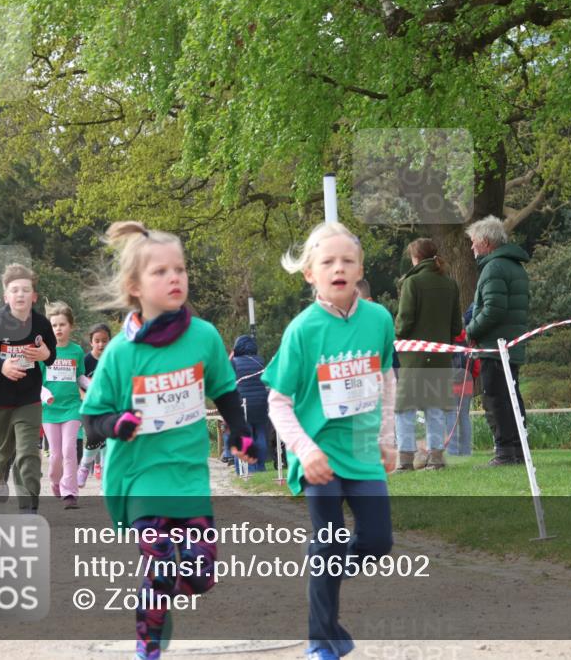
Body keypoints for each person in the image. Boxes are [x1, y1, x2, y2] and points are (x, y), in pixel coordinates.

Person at [80, 221, 256, 660]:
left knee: (200, 576)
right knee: (160, 568)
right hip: (141, 478)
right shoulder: (121, 351)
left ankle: (158, 597)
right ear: (135, 287)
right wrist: (117, 424)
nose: (174, 277)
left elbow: (226, 391)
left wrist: (242, 433)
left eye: (180, 269)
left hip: (189, 477)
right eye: (160, 272)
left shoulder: (205, 336)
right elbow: (91, 419)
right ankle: (148, 647)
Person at [263, 221, 397, 660]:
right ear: (310, 274)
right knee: (328, 541)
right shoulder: (301, 331)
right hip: (319, 457)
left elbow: (386, 379)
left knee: (377, 541)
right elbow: (278, 403)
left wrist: (387, 437)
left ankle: (326, 568)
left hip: (363, 454)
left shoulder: (379, 319)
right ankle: (322, 640)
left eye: (348, 260)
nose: (338, 268)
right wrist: (305, 449)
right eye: (327, 262)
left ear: (360, 269)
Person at [0, 263, 57, 510]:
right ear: (6, 296)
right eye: (15, 290)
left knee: (28, 452)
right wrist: (1, 366)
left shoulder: (42, 324)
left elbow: (50, 355)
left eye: (25, 290)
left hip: (29, 398)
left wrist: (45, 355)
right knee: (4, 447)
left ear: (34, 296)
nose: (20, 294)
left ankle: (29, 507)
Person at [465, 216, 530, 466]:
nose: (472, 248)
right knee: (511, 397)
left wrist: (471, 330)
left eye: (473, 243)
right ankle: (517, 449)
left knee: (495, 398)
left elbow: (494, 309)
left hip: (495, 346)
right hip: (510, 344)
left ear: (486, 242)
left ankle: (505, 451)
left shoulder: (494, 267)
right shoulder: (514, 266)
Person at [393, 238, 461, 471]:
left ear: (416, 258)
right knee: (434, 408)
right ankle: (436, 458)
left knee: (404, 408)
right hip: (441, 356)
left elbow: (404, 322)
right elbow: (456, 326)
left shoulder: (412, 282)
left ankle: (405, 460)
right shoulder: (450, 284)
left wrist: (398, 335)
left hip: (414, 357)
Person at [40, 301, 90, 509]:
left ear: (71, 326)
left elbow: (80, 377)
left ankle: (70, 492)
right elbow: (36, 381)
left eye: (62, 324)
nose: (58, 329)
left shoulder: (76, 351)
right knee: (56, 457)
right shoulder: (43, 351)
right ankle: (55, 481)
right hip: (50, 410)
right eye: (54, 325)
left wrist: (91, 386)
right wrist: (45, 394)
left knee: (70, 449)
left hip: (71, 407)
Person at [229, 334, 270, 472]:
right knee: (260, 433)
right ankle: (260, 466)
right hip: (261, 403)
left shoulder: (234, 362)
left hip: (242, 404)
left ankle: (248, 469)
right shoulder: (260, 360)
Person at [77, 322, 111, 486]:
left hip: (108, 406)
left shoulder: (112, 359)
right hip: (89, 406)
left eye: (104, 341)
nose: (101, 344)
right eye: (97, 341)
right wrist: (84, 396)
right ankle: (84, 466)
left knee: (107, 439)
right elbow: (76, 383)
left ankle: (105, 473)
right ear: (91, 342)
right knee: (93, 437)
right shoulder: (85, 360)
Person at [447, 304, 480, 457]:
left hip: (450, 381)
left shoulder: (448, 339)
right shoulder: (469, 340)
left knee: (451, 415)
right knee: (464, 416)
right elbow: (477, 365)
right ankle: (466, 451)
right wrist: (472, 377)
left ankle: (452, 451)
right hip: (467, 380)